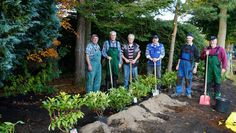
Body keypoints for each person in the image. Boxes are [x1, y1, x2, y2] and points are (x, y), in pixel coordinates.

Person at [171, 33, 200, 99]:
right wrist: (178, 65)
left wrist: (195, 67)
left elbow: (197, 58)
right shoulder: (183, 46)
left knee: (188, 79)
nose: (188, 39)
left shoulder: (194, 48)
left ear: (192, 39)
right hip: (181, 63)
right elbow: (180, 56)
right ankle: (178, 92)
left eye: (189, 38)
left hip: (189, 64)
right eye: (187, 38)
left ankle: (188, 93)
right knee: (179, 78)